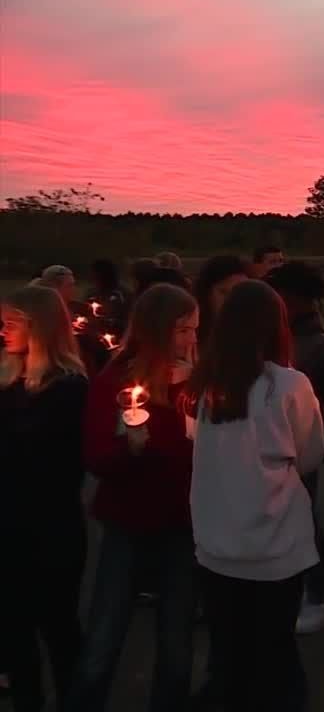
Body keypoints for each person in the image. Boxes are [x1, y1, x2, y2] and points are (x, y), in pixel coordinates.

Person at [188, 279, 324, 712]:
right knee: (276, 658)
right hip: (274, 548)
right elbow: (311, 455)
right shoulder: (288, 385)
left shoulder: (202, 387)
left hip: (216, 547)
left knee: (228, 656)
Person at [68, 283, 200, 712]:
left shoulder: (198, 383)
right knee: (104, 637)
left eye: (195, 329)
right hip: (127, 521)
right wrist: (133, 447)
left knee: (177, 645)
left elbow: (209, 454)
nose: (191, 340)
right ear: (156, 329)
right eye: (182, 329)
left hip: (183, 523)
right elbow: (96, 458)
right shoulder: (115, 381)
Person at [0, 285, 89, 712]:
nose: (3, 331)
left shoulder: (68, 389)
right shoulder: (7, 379)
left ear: (39, 327)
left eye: (11, 323)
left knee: (59, 630)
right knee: (14, 632)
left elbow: (52, 462)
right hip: (8, 528)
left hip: (51, 529)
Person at [264, 261, 324, 633]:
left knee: (305, 517)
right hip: (278, 440)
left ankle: (319, 595)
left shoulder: (316, 345)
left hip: (296, 443)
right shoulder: (287, 335)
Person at [193, 255, 250, 349]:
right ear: (206, 294)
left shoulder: (257, 336)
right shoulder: (190, 336)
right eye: (224, 292)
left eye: (240, 292)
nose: (232, 300)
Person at [86, 258, 131, 334]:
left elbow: (129, 320)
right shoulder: (91, 293)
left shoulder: (122, 294)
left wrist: (110, 323)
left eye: (95, 275)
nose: (92, 278)